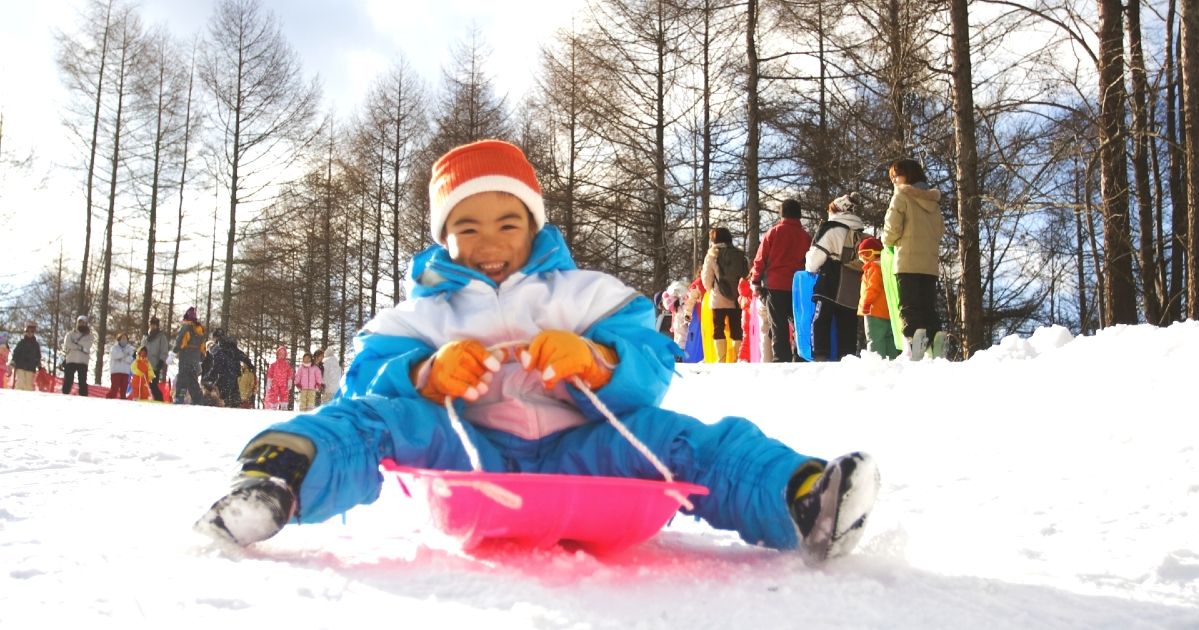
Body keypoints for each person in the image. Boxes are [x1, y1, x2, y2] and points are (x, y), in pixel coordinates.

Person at [195, 139, 879, 564]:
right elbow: (365, 377)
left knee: (681, 438)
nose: (487, 240)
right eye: (466, 226)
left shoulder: (582, 293)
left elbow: (650, 355)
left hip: (580, 449)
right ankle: (276, 478)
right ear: (443, 237)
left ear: (533, 225)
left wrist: (594, 361)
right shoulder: (427, 308)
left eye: (505, 221)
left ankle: (800, 497)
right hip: (466, 447)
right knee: (369, 421)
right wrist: (426, 373)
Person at [882, 158, 945, 360]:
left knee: (908, 305)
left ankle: (913, 341)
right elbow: (940, 231)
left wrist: (887, 242)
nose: (894, 181)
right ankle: (936, 339)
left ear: (907, 175)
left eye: (895, 176)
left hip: (906, 261)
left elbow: (892, 229)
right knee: (927, 306)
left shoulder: (901, 197)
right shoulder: (933, 201)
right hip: (929, 264)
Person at [750, 199, 812, 363]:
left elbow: (760, 259)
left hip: (775, 286)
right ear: (799, 214)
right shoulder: (806, 237)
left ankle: (780, 360)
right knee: (799, 324)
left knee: (778, 326)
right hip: (798, 287)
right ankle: (800, 357)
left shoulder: (773, 232)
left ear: (782, 213)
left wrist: (756, 281)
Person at [806, 193, 864, 362]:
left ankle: (820, 357)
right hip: (853, 283)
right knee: (847, 325)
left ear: (836, 210)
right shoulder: (860, 233)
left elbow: (813, 261)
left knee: (820, 321)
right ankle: (847, 359)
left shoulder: (831, 229)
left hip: (830, 281)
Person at [700, 227, 748, 363]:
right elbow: (746, 274)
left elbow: (706, 278)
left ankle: (721, 359)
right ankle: (736, 358)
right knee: (736, 330)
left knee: (718, 328)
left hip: (718, 298)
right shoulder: (739, 254)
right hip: (737, 299)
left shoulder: (712, 255)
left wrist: (711, 290)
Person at [857, 237, 899, 359]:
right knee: (889, 337)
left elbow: (872, 287)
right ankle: (893, 361)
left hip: (873, 310)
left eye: (867, 254)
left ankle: (876, 362)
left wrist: (866, 303)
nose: (864, 259)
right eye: (861, 255)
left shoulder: (873, 267)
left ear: (877, 253)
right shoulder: (888, 268)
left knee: (874, 339)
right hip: (888, 311)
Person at [204, 329, 254, 408]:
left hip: (225, 374)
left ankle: (228, 409)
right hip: (234, 372)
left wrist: (209, 377)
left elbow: (217, 365)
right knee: (235, 394)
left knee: (224, 396)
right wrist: (249, 363)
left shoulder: (219, 348)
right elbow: (241, 355)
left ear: (216, 337)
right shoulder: (232, 346)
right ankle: (236, 406)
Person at [173, 307, 206, 404]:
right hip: (195, 358)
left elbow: (180, 340)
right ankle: (198, 400)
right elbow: (203, 345)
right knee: (193, 380)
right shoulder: (200, 329)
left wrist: (174, 351)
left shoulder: (186, 327)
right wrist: (201, 357)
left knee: (182, 377)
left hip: (186, 356)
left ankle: (179, 398)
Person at [62, 315, 94, 396]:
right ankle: (64, 395)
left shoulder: (89, 336)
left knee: (82, 381)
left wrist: (75, 344)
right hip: (70, 360)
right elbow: (67, 344)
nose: (81, 324)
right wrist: (80, 347)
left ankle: (83, 397)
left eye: (83, 322)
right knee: (68, 380)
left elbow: (87, 345)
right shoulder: (70, 334)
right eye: (80, 322)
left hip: (83, 361)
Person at [141, 316, 170, 402]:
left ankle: (159, 399)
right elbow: (142, 347)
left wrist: (161, 361)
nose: (153, 326)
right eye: (151, 324)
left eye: (155, 325)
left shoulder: (161, 336)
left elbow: (164, 350)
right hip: (144, 364)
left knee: (153, 385)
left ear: (157, 326)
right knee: (145, 384)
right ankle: (145, 399)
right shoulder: (146, 336)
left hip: (155, 364)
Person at [12, 323, 42, 392]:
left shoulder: (36, 344)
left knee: (28, 385)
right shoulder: (21, 343)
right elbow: (16, 353)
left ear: (33, 333)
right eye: (27, 331)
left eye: (31, 332)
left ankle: (27, 400)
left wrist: (39, 364)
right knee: (20, 383)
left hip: (31, 367)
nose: (29, 333)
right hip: (20, 366)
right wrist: (13, 361)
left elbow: (38, 356)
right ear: (25, 332)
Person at [264, 346, 294, 411]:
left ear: (285, 355)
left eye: (283, 354)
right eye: (280, 354)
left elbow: (290, 374)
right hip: (275, 383)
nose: (281, 356)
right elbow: (270, 374)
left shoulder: (287, 365)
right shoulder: (273, 365)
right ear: (277, 355)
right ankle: (273, 406)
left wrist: (289, 380)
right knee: (273, 394)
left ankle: (284, 406)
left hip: (284, 384)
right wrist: (269, 381)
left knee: (284, 395)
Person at [106, 333, 135, 400]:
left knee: (124, 390)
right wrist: (124, 355)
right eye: (122, 338)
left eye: (125, 338)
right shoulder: (114, 348)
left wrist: (122, 357)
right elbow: (114, 356)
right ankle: (109, 399)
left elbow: (130, 359)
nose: (124, 340)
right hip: (116, 371)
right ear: (119, 339)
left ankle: (123, 401)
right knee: (114, 389)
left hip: (125, 372)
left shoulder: (130, 349)